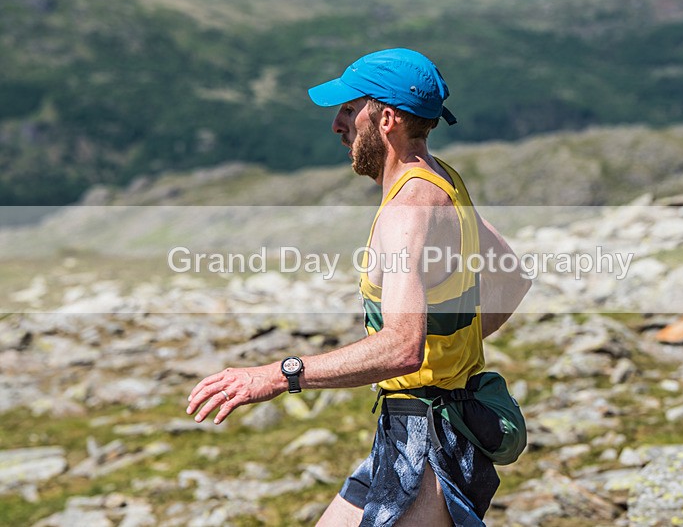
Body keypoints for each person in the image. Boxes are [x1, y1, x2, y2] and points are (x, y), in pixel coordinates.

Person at [187, 48, 531, 526]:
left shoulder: (407, 211)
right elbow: (512, 277)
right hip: (416, 428)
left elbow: (403, 347)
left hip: (432, 442)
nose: (337, 124)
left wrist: (278, 374)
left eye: (349, 109)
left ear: (385, 118)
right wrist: (450, 343)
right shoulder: (442, 178)